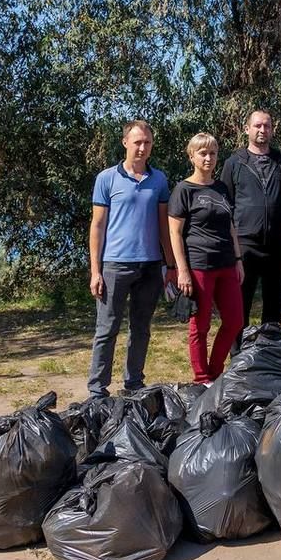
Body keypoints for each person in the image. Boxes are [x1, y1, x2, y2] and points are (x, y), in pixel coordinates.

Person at [86, 120, 176, 398]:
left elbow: (164, 226)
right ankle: (97, 389)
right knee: (107, 328)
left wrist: (170, 265)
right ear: (125, 143)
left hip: (149, 265)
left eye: (147, 142)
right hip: (115, 265)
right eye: (137, 142)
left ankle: (134, 382)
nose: (142, 147)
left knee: (141, 328)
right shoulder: (107, 178)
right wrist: (95, 270)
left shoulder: (159, 180)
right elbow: (97, 226)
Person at [168, 133, 245, 385]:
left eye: (212, 153)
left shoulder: (221, 188)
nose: (208, 158)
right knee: (199, 326)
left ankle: (215, 372)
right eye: (203, 153)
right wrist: (182, 270)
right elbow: (175, 233)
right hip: (199, 265)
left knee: (235, 321)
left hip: (226, 263)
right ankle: (201, 378)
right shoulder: (184, 189)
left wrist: (238, 259)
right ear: (192, 156)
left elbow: (231, 227)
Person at [219, 110, 281, 345]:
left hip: (276, 244)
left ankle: (269, 353)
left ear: (272, 129)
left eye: (267, 126)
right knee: (239, 304)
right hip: (244, 245)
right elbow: (224, 206)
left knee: (274, 304)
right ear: (247, 129)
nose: (262, 130)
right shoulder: (234, 163)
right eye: (257, 126)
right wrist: (228, 248)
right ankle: (238, 356)